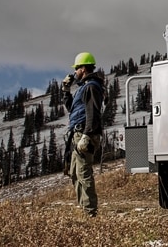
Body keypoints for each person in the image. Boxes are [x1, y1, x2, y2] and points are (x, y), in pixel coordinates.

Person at [64, 51, 105, 217]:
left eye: (76, 69)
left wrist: (87, 136)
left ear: (83, 68)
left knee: (83, 173)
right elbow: (73, 110)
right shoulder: (84, 87)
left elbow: (93, 113)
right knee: (75, 173)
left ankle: (89, 213)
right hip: (78, 133)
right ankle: (84, 208)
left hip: (84, 133)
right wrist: (66, 91)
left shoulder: (91, 87)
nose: (74, 72)